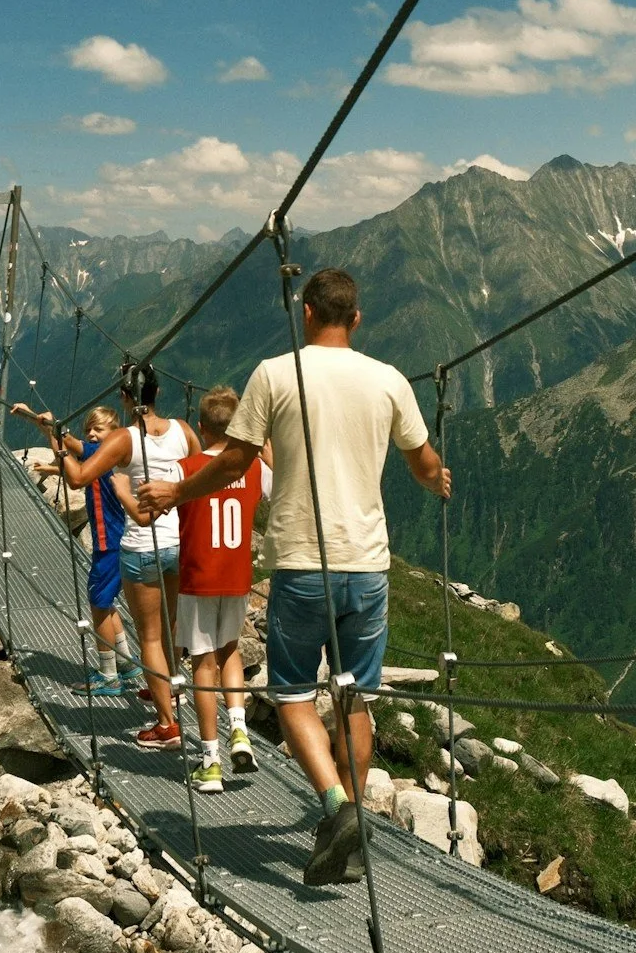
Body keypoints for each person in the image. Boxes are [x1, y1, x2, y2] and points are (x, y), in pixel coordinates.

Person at [138, 267, 449, 883]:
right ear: (355, 318)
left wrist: (175, 492)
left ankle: (336, 807)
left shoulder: (275, 374)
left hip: (303, 564)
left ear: (306, 312)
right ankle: (353, 815)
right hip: (368, 566)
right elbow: (423, 462)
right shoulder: (388, 381)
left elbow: (232, 462)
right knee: (355, 693)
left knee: (293, 695)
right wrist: (437, 478)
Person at [54, 367, 199, 747]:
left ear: (124, 397)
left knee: (149, 637)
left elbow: (79, 477)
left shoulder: (123, 438)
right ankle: (170, 691)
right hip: (178, 543)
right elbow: (201, 472)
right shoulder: (183, 430)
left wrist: (57, 447)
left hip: (142, 546)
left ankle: (167, 724)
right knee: (170, 628)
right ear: (157, 391)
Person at [11, 401, 146, 698]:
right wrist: (41, 421)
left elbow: (74, 476)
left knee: (98, 603)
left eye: (99, 430)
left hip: (108, 540)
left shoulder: (103, 457)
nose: (93, 435)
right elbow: (73, 444)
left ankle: (109, 675)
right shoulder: (106, 453)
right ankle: (125, 663)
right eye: (90, 429)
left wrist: (50, 432)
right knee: (106, 601)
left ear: (115, 433)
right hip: (113, 539)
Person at [176, 385, 270, 790]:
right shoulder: (252, 467)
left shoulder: (185, 467)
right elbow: (278, 485)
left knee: (202, 662)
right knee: (230, 649)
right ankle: (240, 730)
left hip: (197, 578)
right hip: (236, 578)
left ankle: (210, 760)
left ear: (201, 427)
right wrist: (261, 445)